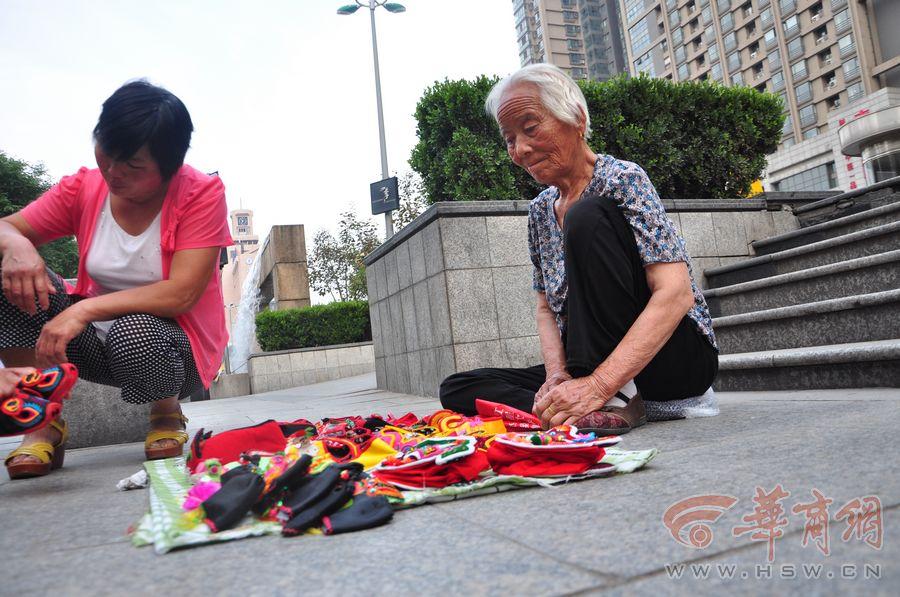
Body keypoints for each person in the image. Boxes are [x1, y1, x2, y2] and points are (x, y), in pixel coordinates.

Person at [439, 64, 719, 434]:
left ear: (577, 119)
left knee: (587, 216)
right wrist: (557, 376)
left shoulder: (622, 179)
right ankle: (570, 406)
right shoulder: (540, 210)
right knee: (459, 388)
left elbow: (676, 293)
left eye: (531, 128)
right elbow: (544, 305)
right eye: (509, 139)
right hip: (587, 361)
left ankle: (609, 395)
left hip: (671, 359)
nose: (520, 149)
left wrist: (599, 383)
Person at [1, 80, 233, 479]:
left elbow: (181, 293)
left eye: (133, 166)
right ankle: (39, 422)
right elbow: (7, 227)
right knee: (6, 275)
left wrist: (84, 310)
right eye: (106, 154)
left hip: (173, 352)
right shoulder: (84, 187)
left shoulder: (200, 193)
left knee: (135, 327)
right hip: (91, 345)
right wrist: (16, 246)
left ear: (169, 167)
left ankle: (165, 413)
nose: (113, 172)